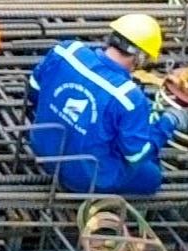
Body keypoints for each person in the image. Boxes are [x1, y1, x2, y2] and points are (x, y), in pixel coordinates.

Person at [29, 14, 175, 197]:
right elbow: (136, 155)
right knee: (151, 176)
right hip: (85, 178)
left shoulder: (67, 51)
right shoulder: (128, 97)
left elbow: (34, 90)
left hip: (41, 146)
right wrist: (168, 123)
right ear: (140, 57)